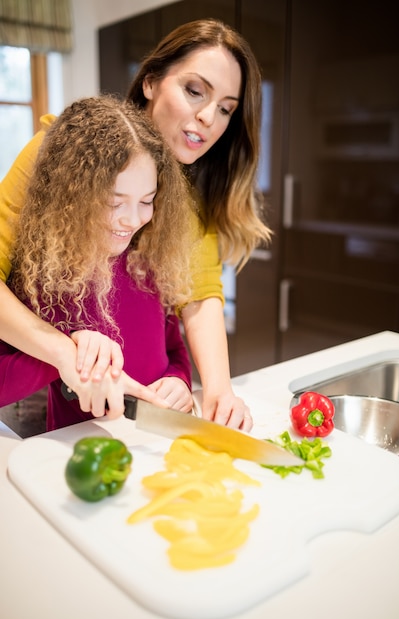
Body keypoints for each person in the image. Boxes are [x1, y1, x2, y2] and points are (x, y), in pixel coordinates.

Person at [0, 18, 271, 431]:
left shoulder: (189, 197)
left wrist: (216, 391)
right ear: (149, 81)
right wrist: (64, 352)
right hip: (47, 411)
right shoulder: (54, 157)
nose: (208, 118)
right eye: (195, 91)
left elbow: (198, 294)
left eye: (225, 109)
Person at [0, 95, 193, 430]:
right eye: (113, 202)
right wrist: (67, 354)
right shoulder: (43, 278)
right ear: (73, 196)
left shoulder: (146, 263)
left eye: (147, 201)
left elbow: (174, 348)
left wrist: (180, 381)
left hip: (153, 444)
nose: (132, 220)